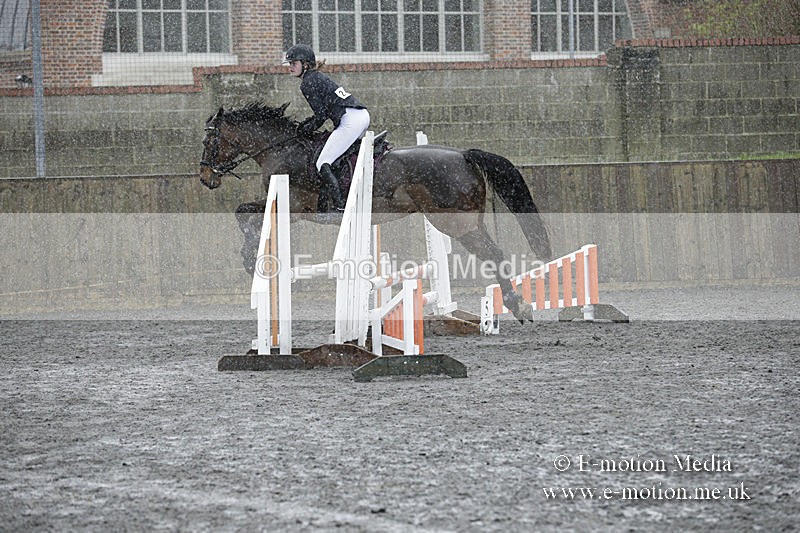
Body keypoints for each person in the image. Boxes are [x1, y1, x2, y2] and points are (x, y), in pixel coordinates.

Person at [283, 44, 370, 212]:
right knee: (336, 157)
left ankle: (340, 206)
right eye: (289, 63)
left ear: (305, 64)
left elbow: (321, 116)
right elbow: (321, 114)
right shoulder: (315, 77)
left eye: (294, 63)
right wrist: (306, 125)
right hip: (360, 115)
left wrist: (304, 130)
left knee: (322, 162)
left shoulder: (307, 83)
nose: (290, 67)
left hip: (351, 120)